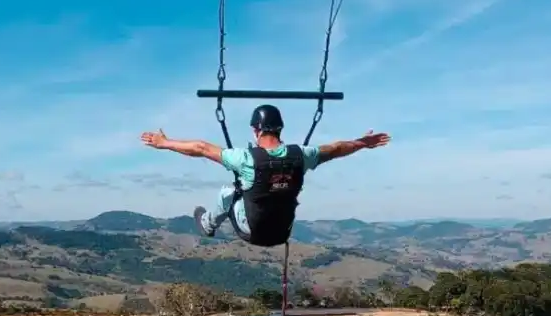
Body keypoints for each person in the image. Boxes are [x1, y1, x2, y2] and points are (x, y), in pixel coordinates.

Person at [139, 104, 390, 246]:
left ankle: (208, 224)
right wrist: (361, 143)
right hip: (282, 232)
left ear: (255, 131)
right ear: (280, 128)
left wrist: (165, 142)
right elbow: (335, 148)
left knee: (229, 192)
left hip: (254, 232)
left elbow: (201, 148)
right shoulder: (301, 155)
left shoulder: (245, 158)